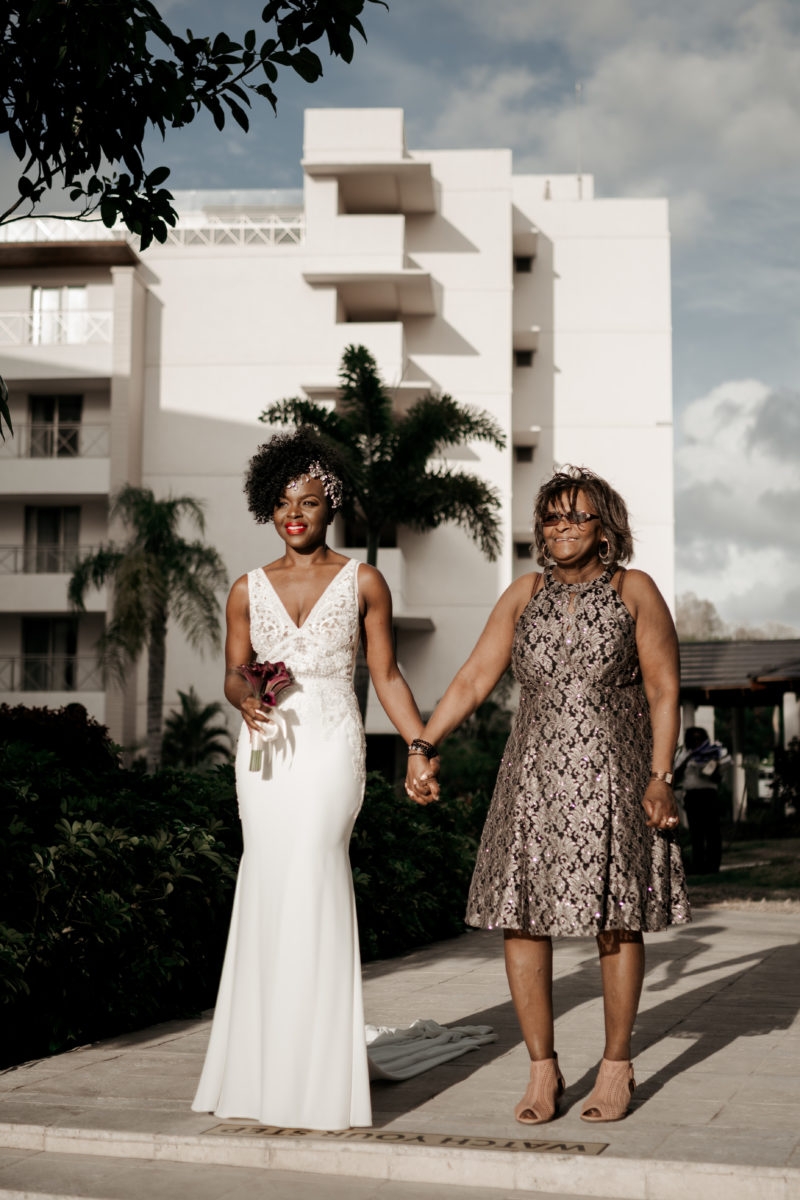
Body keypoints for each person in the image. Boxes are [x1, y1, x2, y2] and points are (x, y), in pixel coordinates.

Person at [407, 466, 690, 1124]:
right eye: (551, 517)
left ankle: (616, 1066)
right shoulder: (522, 594)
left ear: (606, 529)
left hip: (615, 777)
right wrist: (424, 744)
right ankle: (543, 1070)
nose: (560, 527)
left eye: (576, 517)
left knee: (617, 918)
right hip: (530, 777)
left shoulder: (634, 590)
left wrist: (659, 774)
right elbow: (477, 675)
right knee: (523, 916)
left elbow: (664, 689)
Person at [192, 429, 429, 1131]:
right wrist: (245, 695)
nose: (294, 513)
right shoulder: (245, 589)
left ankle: (319, 1077)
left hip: (329, 745)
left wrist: (418, 744)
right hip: (266, 753)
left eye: (308, 500)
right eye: (281, 501)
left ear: (332, 504)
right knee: (267, 878)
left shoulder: (364, 582)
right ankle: (260, 1070)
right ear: (268, 505)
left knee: (317, 872)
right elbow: (234, 672)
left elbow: (384, 674)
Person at [673, 725, 727, 874]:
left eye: (699, 739)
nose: (697, 742)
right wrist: (690, 758)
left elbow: (718, 777)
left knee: (713, 832)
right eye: (693, 739)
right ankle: (699, 866)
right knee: (696, 833)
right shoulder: (685, 755)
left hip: (708, 794)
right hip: (692, 796)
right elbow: (676, 775)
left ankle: (713, 866)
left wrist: (710, 767)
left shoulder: (712, 753)